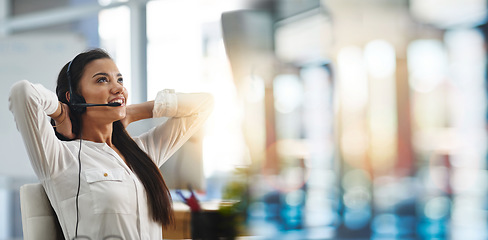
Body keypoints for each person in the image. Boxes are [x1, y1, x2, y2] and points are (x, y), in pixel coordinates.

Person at [9, 48, 214, 240]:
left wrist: (133, 112)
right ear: (75, 97)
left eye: (120, 79)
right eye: (102, 80)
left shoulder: (143, 151)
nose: (117, 88)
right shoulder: (60, 157)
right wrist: (61, 113)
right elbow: (23, 93)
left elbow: (204, 104)